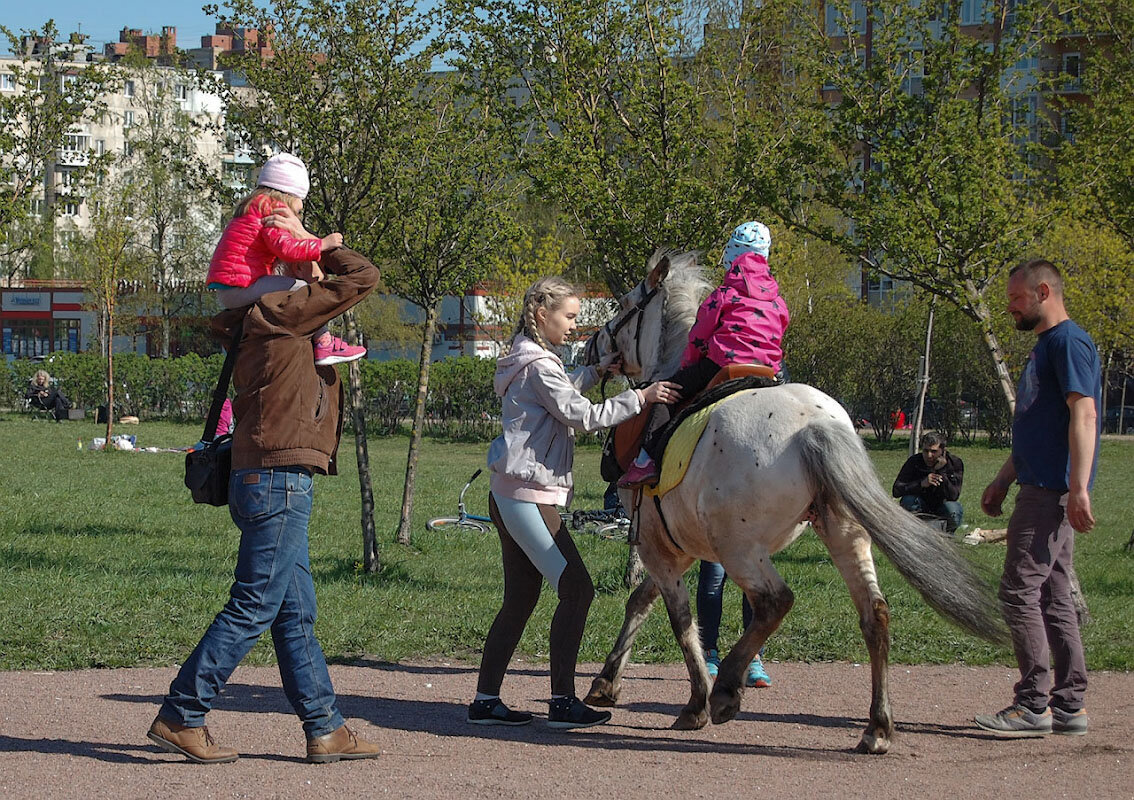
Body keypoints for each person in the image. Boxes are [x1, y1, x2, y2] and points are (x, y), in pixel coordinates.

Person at [148, 241, 383, 764]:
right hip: (278, 480)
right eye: (305, 267)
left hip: (265, 475)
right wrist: (317, 241)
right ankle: (182, 711)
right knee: (254, 604)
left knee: (294, 613)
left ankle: (325, 727)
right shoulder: (284, 312)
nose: (316, 275)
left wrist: (303, 255)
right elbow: (364, 276)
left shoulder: (261, 316)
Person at [469, 276, 680, 729]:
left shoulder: (530, 358)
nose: (573, 326)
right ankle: (562, 702)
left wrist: (597, 372)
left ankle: (486, 701)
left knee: (520, 600)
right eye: (568, 317)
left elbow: (561, 388)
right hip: (526, 499)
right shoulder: (540, 365)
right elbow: (581, 415)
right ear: (542, 314)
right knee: (578, 589)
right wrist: (640, 397)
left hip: (508, 495)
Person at [974, 259, 1100, 739]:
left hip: (1051, 491)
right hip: (1041, 483)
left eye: (1016, 299)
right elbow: (1038, 427)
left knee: (1018, 592)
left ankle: (1033, 705)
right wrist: (1005, 478)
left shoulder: (1067, 343)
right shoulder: (1048, 346)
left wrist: (1077, 488)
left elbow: (1084, 416)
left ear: (1043, 292)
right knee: (1052, 594)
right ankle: (1069, 705)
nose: (1010, 309)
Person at [620, 221, 790, 487]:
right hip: (768, 370)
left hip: (723, 365)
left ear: (732, 256)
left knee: (667, 392)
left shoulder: (724, 295)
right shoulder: (777, 301)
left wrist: (687, 365)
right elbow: (781, 328)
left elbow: (699, 335)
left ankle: (645, 461)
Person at [206, 152, 365, 366]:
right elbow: (286, 249)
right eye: (299, 204)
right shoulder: (274, 209)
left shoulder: (254, 206)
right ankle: (324, 342)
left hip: (230, 287)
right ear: (289, 194)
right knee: (302, 288)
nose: (299, 213)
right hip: (240, 286)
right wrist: (322, 244)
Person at [697, 561, 771, 688]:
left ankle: (752, 657)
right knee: (712, 583)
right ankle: (708, 655)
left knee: (754, 584)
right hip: (714, 542)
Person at [891, 432, 964, 532]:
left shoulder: (954, 463)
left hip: (942, 506)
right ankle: (915, 532)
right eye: (926, 451)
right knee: (908, 501)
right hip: (920, 506)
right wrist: (921, 484)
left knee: (953, 509)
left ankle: (946, 536)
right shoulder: (914, 462)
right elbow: (896, 490)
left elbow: (954, 495)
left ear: (943, 451)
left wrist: (941, 471)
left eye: (934, 451)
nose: (929, 455)